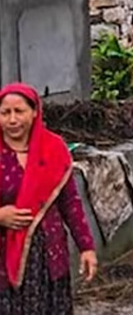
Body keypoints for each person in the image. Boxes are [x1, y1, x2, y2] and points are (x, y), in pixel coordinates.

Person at [0, 83, 97, 314]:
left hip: (49, 255)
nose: (12, 120)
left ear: (35, 112)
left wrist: (86, 247)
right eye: (5, 113)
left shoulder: (53, 148)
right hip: (4, 259)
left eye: (19, 111)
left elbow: (70, 203)